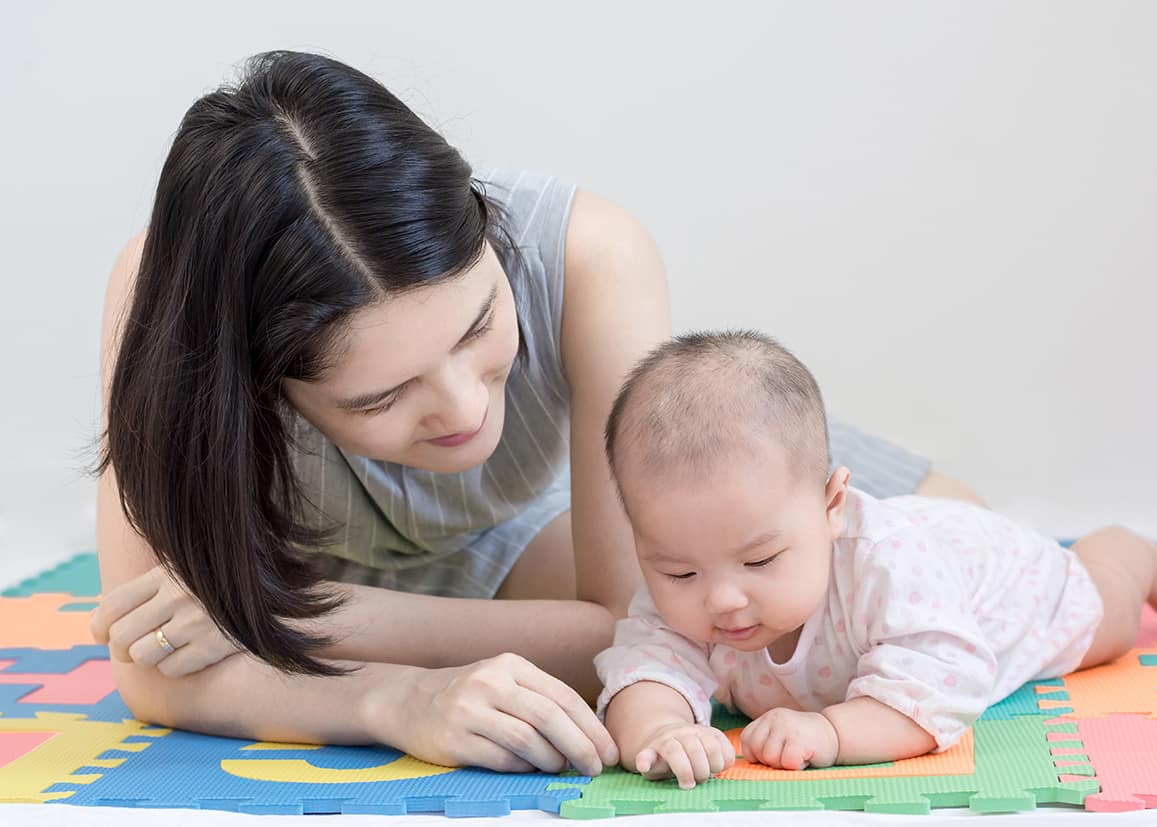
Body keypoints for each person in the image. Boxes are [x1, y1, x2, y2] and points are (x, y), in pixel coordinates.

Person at [89, 50, 982, 776]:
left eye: (479, 323)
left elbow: (635, 630)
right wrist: (388, 699)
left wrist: (290, 617)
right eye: (381, 395)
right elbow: (153, 672)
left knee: (962, 558)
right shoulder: (172, 305)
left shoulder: (589, 254)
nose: (466, 408)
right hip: (437, 575)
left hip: (572, 501)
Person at [594, 330, 1157, 789]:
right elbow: (647, 666)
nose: (721, 598)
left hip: (1003, 583)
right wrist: (658, 729)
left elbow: (939, 685)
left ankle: (1130, 552)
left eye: (760, 561)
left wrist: (834, 731)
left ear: (832, 505)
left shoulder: (886, 566)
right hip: (944, 554)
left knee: (1107, 616)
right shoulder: (688, 585)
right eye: (679, 571)